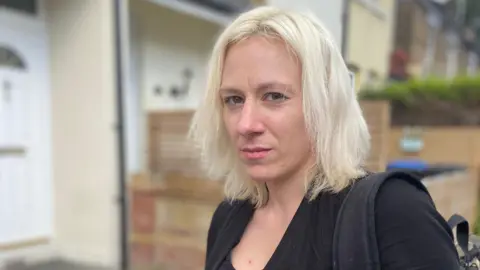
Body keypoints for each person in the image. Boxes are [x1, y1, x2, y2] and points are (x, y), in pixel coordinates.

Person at [188, 6, 459, 270]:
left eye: (274, 96)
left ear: (326, 104)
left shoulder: (392, 212)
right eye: (233, 99)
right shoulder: (227, 217)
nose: (246, 124)